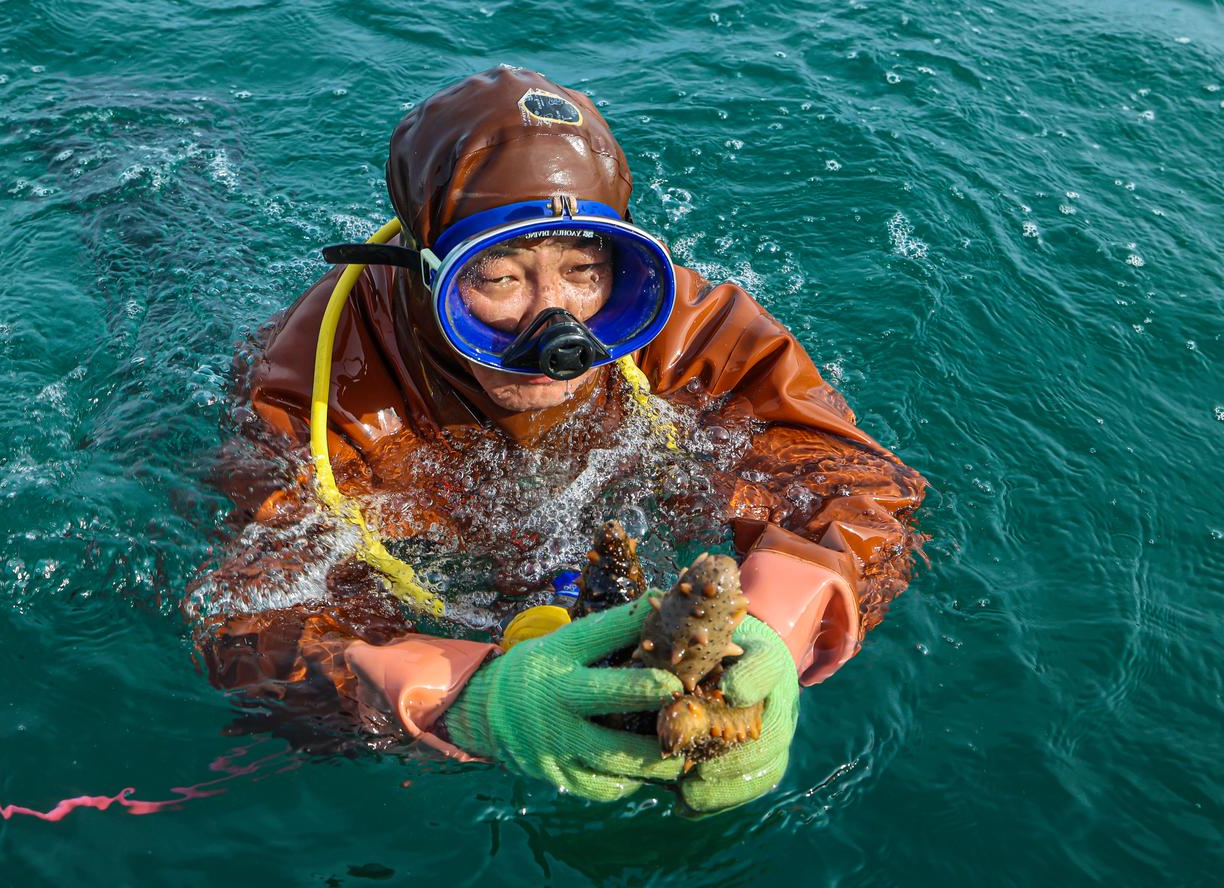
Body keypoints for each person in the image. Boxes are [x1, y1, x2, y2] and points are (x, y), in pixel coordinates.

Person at [191, 67, 927, 814]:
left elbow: (857, 485)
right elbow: (256, 625)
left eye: (583, 270)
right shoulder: (310, 398)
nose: (559, 333)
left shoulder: (669, 321)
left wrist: (781, 625)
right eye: (499, 277)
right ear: (424, 275)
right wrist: (469, 702)